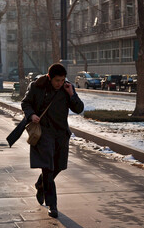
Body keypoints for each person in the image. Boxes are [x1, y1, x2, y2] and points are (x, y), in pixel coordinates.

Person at [17, 63, 84, 218]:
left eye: (62, 80)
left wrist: (72, 94)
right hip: (44, 132)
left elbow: (79, 108)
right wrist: (31, 114)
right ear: (49, 77)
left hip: (61, 133)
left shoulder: (67, 88)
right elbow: (25, 103)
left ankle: (40, 184)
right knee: (48, 167)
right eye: (57, 81)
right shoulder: (37, 86)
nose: (59, 83)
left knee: (59, 166)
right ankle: (52, 205)